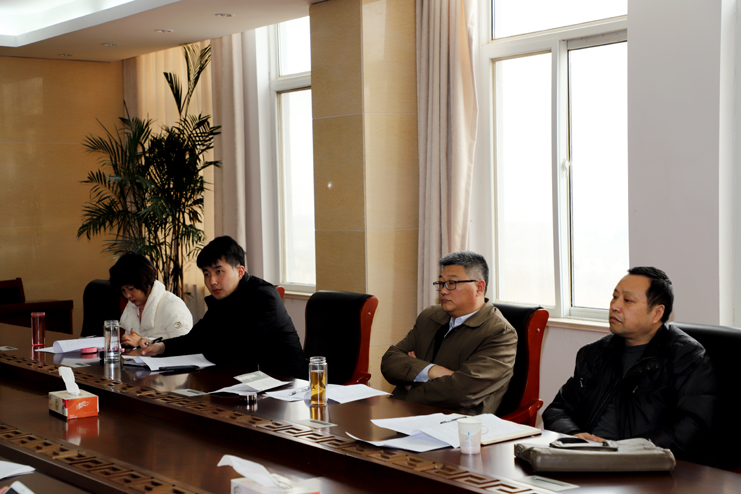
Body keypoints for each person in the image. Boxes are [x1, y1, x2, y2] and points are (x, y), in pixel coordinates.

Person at [542, 267, 716, 463]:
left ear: (657, 312)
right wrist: (574, 435)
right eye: (614, 297)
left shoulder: (687, 357)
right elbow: (558, 409)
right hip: (587, 458)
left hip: (646, 465)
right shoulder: (594, 353)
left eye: (627, 300)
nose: (615, 306)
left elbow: (692, 426)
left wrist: (625, 450)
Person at [135, 236, 306, 379]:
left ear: (240, 272)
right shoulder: (223, 299)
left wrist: (207, 345)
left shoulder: (263, 297)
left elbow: (236, 351)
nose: (212, 281)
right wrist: (161, 347)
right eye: (206, 274)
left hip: (285, 383)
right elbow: (196, 338)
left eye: (219, 272)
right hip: (245, 380)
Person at [380, 251, 517, 414]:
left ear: (479, 287)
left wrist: (413, 382)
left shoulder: (500, 333)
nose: (443, 291)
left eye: (452, 283)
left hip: (456, 422)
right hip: (405, 411)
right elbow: (389, 361)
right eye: (440, 283)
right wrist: (432, 371)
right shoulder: (430, 316)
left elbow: (463, 391)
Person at [110, 253, 192, 345]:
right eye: (123, 290)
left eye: (131, 288)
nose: (128, 295)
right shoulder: (132, 306)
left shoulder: (172, 305)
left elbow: (184, 344)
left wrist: (143, 342)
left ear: (145, 281)